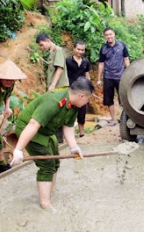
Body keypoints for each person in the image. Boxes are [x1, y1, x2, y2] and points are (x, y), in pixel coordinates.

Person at [10, 77, 94, 210]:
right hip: (29, 129)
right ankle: (45, 203)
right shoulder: (53, 101)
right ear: (81, 96)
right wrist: (18, 150)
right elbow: (33, 124)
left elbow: (68, 127)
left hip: (46, 131)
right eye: (88, 99)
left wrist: (74, 147)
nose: (86, 103)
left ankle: (50, 191)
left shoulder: (73, 104)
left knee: (55, 159)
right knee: (47, 164)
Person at [96, 28, 130, 126]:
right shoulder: (103, 48)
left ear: (114, 34)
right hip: (108, 76)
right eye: (106, 35)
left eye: (110, 34)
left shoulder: (122, 45)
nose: (109, 36)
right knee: (108, 99)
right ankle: (113, 119)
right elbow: (101, 64)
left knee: (123, 98)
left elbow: (126, 59)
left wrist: (129, 73)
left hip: (121, 76)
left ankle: (125, 118)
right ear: (104, 36)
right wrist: (98, 79)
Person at [66, 40, 91, 137]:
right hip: (71, 90)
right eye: (78, 49)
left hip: (82, 91)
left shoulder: (86, 62)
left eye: (82, 50)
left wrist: (89, 89)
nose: (80, 52)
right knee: (69, 112)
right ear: (74, 49)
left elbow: (87, 75)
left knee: (82, 112)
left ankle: (81, 133)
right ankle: (69, 135)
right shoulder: (68, 61)